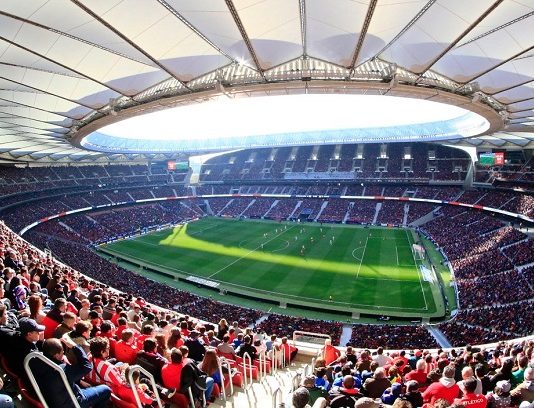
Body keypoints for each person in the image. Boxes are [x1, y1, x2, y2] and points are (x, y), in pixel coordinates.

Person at [31, 336, 111, 408]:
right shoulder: (60, 370)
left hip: (53, 400)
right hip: (71, 403)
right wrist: (75, 346)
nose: (63, 354)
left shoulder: (35, 362)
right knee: (106, 389)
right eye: (62, 352)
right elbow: (87, 366)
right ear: (56, 355)